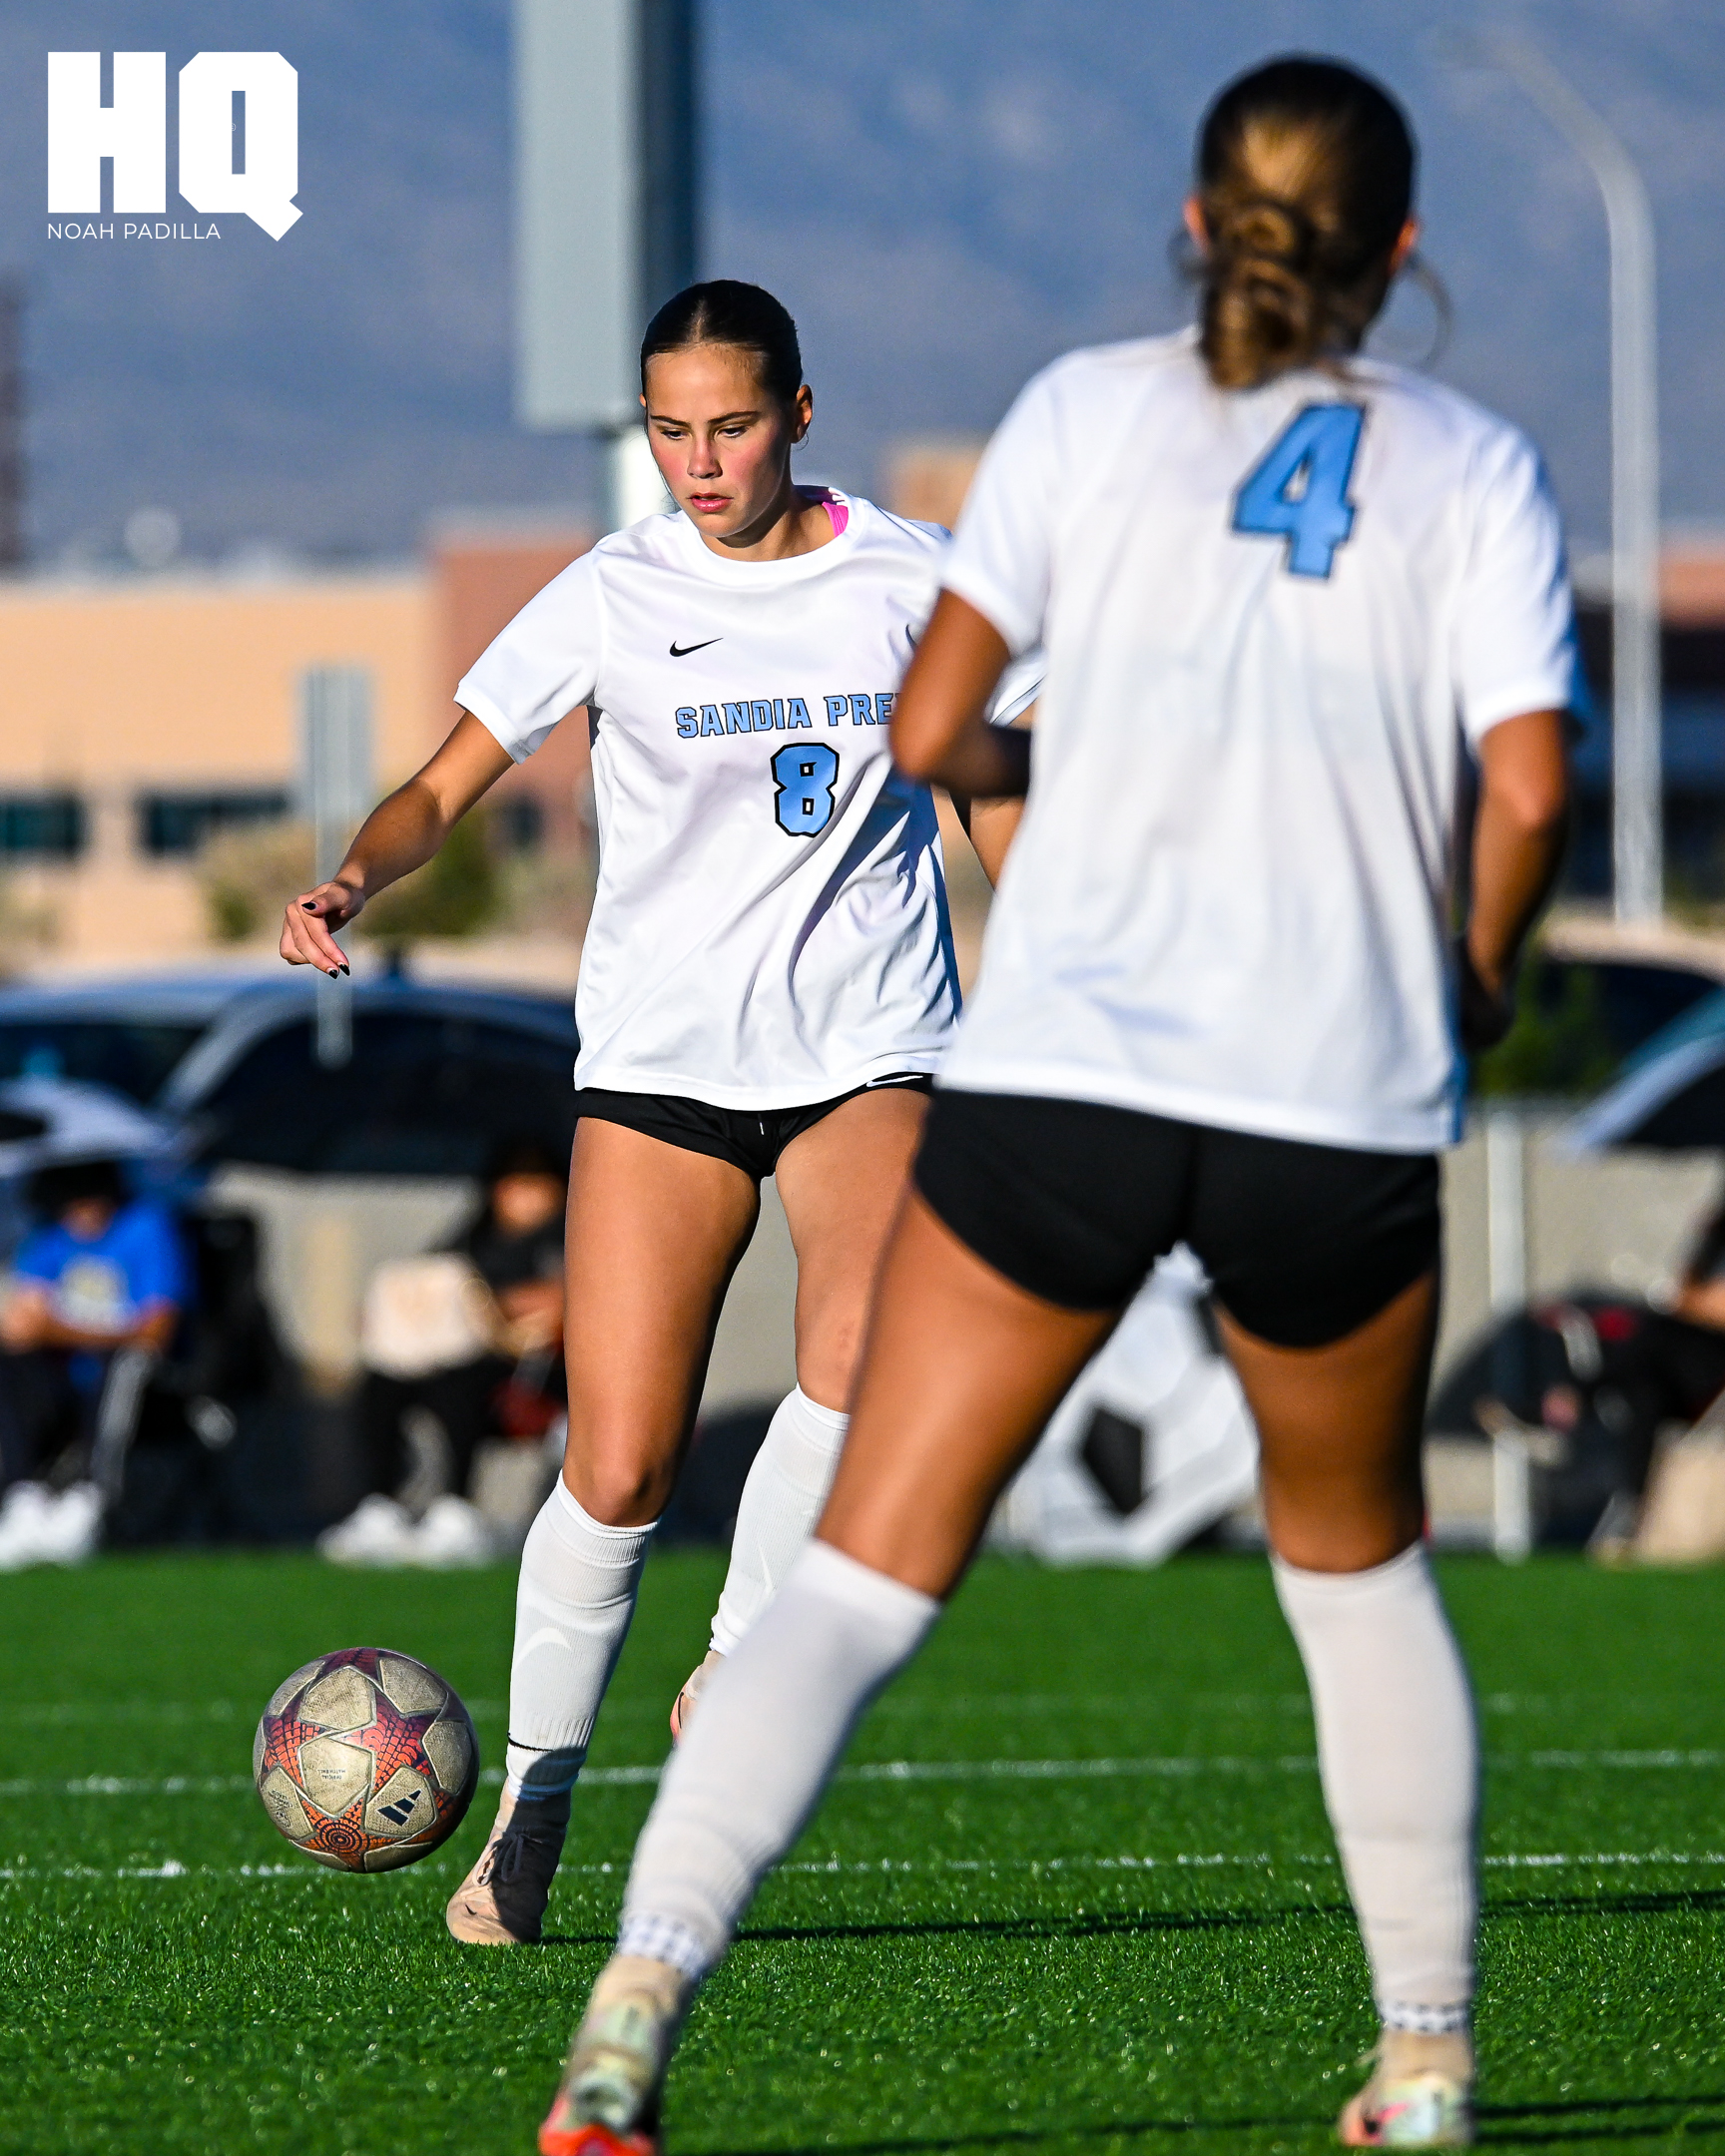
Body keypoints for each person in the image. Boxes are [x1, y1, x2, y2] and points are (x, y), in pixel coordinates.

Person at [543, 57, 1573, 2156]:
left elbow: (939, 724)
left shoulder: (1087, 419)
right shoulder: (1474, 463)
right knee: (1356, 1579)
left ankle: (632, 2015)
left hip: (1076, 1079)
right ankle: (1430, 2055)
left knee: (861, 1579)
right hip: (1334, 1089)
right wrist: (1461, 985)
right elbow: (1534, 786)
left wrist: (1062, 790)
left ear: (1196, 232)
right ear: (1400, 250)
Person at [278, 278, 1036, 1946]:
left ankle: (738, 1664)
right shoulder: (614, 591)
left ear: (799, 412)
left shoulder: (917, 580)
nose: (700, 462)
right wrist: (357, 872)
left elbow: (998, 788)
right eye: (670, 430)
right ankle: (530, 1811)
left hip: (868, 1045)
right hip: (661, 1067)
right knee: (615, 1468)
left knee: (869, 1351)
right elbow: (443, 780)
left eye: (732, 425)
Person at [317, 1135, 570, 1564]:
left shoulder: (572, 1236)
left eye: (535, 1183)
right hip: (454, 1358)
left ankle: (456, 1507)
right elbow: (435, 1278)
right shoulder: (472, 1237)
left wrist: (529, 1303)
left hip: (532, 1371)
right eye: (512, 1183)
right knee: (381, 1385)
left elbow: (581, 1302)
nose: (521, 1197)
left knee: (460, 1385)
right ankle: (383, 1506)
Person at [0, 1156, 187, 1487]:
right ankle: (20, 1488)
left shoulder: (145, 1226)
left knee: (127, 1365)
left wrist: (56, 1331)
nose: (80, 1213)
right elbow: (22, 1322)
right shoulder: (47, 1238)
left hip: (126, 1371)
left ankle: (97, 1490)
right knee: (9, 1362)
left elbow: (155, 1333)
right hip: (61, 1375)